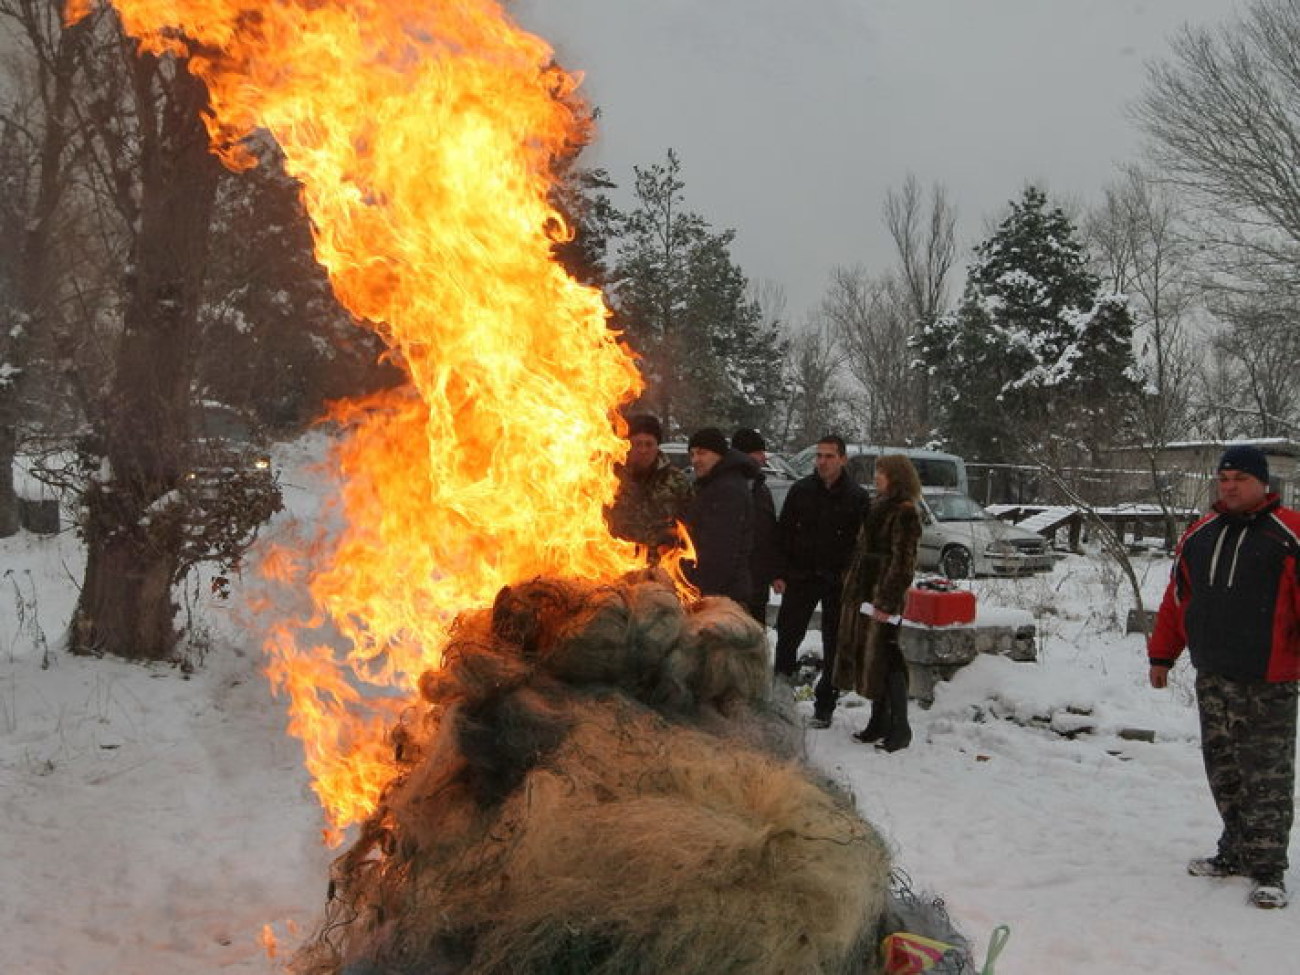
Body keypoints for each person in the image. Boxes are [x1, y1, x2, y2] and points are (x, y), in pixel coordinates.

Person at [1148, 444, 1300, 910]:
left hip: (1268, 678)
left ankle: (1269, 868)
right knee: (1225, 770)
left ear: (1263, 483)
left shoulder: (1289, 533)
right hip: (1213, 674)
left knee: (1267, 778)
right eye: (1224, 478)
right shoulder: (1200, 534)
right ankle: (1233, 851)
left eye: (1240, 478)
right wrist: (1162, 655)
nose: (1230, 485)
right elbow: (1177, 600)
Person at [771, 435, 870, 728]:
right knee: (788, 635)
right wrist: (779, 572)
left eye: (829, 456)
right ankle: (780, 699)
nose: (822, 462)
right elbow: (784, 532)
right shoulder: (801, 490)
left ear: (842, 459)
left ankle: (825, 705)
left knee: (835, 642)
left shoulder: (856, 496)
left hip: (836, 580)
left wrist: (854, 580)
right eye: (819, 456)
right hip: (801, 576)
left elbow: (862, 544)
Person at [833, 455, 923, 752]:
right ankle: (879, 721)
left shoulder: (905, 512)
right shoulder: (878, 505)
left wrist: (887, 600)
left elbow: (904, 563)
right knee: (871, 659)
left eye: (881, 473)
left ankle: (900, 726)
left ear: (896, 476)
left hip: (884, 594)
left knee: (887, 656)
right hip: (865, 592)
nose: (876, 477)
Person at [682, 427, 758, 602]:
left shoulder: (727, 490)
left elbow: (721, 551)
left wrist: (702, 592)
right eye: (692, 454)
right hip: (716, 590)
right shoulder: (713, 485)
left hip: (721, 594)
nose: (695, 460)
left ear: (719, 455)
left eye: (702, 453)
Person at [605, 413, 693, 564]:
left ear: (657, 446)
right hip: (617, 565)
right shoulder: (608, 479)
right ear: (627, 446)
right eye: (637, 444)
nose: (643, 450)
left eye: (649, 444)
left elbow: (691, 524)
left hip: (663, 568)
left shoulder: (676, 481)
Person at [732, 428, 781, 625]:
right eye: (758, 453)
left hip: (757, 584)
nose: (763, 459)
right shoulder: (726, 488)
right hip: (733, 586)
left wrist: (775, 572)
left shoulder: (762, 490)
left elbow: (769, 533)